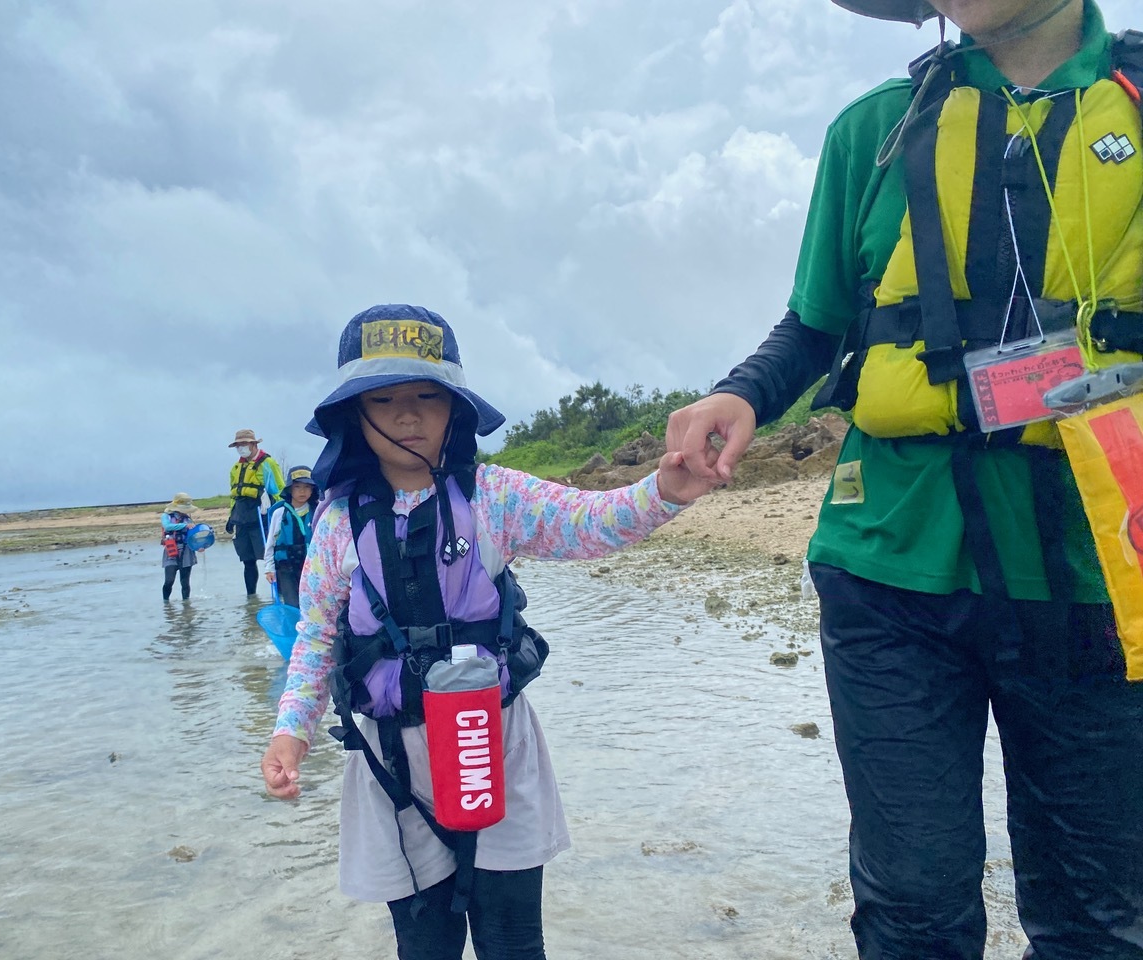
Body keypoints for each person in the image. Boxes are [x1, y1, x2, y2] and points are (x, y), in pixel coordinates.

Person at [667, 2, 1143, 957]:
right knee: (912, 907)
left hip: (1101, 573)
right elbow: (818, 320)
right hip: (889, 569)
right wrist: (743, 394)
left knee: (1103, 916)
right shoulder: (874, 131)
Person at [260, 304, 715, 960]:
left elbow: (590, 522)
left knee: (513, 943)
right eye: (382, 398)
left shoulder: (492, 498)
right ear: (351, 416)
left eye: (427, 396)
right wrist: (289, 732)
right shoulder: (336, 526)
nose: (407, 414)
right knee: (425, 948)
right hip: (394, 767)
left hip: (492, 747)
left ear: (456, 409)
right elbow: (315, 638)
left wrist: (667, 488)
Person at [226, 428, 284, 596]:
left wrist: (279, 512)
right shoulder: (236, 467)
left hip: (261, 514)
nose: (240, 448)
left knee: (270, 557)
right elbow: (233, 494)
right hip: (241, 516)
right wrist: (231, 517)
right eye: (238, 445)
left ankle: (280, 595)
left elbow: (279, 490)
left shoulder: (268, 463)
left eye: (243, 444)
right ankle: (251, 598)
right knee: (247, 560)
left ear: (253, 444)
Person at [263, 465, 319, 607]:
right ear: (290, 489)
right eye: (297, 487)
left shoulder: (317, 511)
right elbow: (271, 543)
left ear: (313, 490)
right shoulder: (279, 513)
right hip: (286, 568)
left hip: (311, 567)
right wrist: (269, 568)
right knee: (292, 605)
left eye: (307, 487)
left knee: (313, 605)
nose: (302, 491)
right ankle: (293, 628)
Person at [161, 492, 204, 601]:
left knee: (185, 582)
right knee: (169, 581)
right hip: (171, 550)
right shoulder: (166, 516)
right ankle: (166, 603)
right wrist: (184, 525)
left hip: (186, 551)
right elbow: (167, 527)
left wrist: (198, 546)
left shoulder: (188, 519)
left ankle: (186, 606)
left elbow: (193, 537)